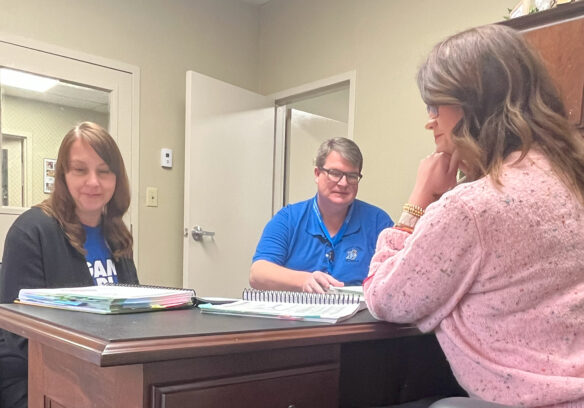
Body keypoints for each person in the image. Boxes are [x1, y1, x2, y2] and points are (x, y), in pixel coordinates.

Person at [364, 24, 584, 408]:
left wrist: (419, 198)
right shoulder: (571, 178)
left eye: (436, 106)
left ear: (474, 104)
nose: (429, 121)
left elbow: (386, 298)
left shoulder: (471, 207)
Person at [0, 122, 139, 408]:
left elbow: (133, 316)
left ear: (117, 178)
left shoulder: (117, 234)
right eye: (80, 170)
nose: (93, 182)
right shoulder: (31, 231)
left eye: (104, 171)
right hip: (37, 374)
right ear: (62, 174)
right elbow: (20, 335)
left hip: (105, 370)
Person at [250, 137, 393, 293]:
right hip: (300, 314)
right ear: (317, 174)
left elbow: (395, 276)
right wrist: (303, 280)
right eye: (335, 173)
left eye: (352, 176)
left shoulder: (378, 222)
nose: (343, 183)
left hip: (359, 316)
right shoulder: (288, 219)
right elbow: (258, 273)